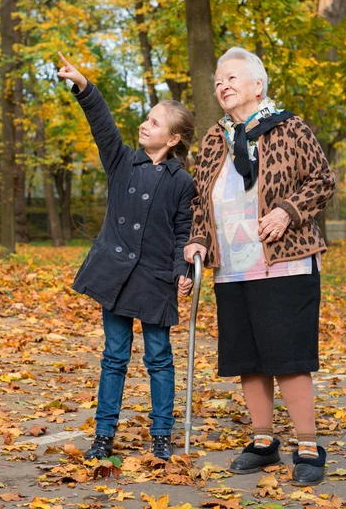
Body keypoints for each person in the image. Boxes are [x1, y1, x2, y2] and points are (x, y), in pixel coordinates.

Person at [184, 47, 336, 486]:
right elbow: (200, 200)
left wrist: (288, 210)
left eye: (231, 78)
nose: (222, 86)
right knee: (248, 356)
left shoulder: (290, 128)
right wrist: (197, 241)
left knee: (287, 354)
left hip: (285, 260)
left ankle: (307, 443)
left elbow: (322, 179)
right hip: (232, 264)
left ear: (257, 85)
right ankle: (264, 440)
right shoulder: (216, 139)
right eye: (217, 81)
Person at [57, 52, 194, 461]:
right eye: (146, 118)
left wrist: (182, 269)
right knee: (114, 356)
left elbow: (182, 233)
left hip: (155, 282)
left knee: (159, 359)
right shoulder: (122, 161)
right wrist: (84, 85)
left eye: (154, 122)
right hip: (115, 276)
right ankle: (103, 434)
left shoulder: (182, 181)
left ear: (172, 139)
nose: (144, 124)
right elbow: (102, 124)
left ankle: (162, 435)